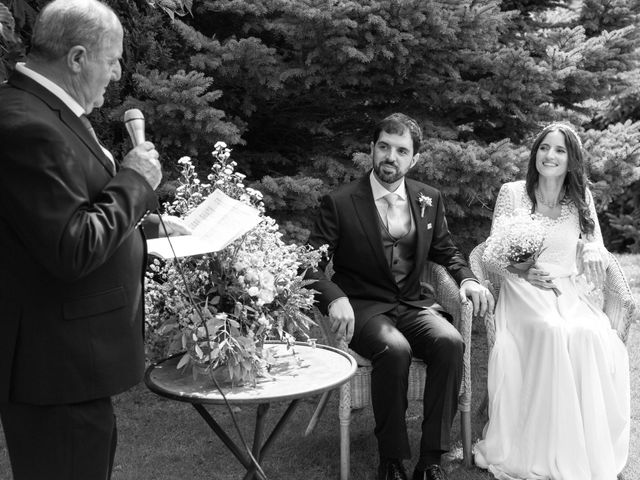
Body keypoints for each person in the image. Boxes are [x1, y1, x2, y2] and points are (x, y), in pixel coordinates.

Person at [0, 1, 187, 478]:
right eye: (113, 58)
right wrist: (135, 181)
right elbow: (71, 247)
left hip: (71, 367)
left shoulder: (48, 109)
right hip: (56, 370)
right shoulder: (27, 125)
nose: (118, 71)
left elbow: (54, 215)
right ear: (78, 58)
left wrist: (140, 223)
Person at [306, 113, 494, 480]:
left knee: (450, 342)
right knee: (395, 350)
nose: (391, 157)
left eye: (401, 150)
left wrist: (467, 279)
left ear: (414, 159)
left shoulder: (429, 198)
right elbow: (309, 264)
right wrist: (333, 297)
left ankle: (431, 460)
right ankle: (390, 460)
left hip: (413, 304)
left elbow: (447, 251)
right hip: (363, 308)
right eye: (384, 147)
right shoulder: (341, 202)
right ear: (372, 150)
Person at [474, 123, 630, 480]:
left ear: (571, 159)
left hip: (568, 290)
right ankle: (539, 450)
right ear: (535, 153)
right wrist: (524, 272)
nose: (550, 156)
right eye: (545, 148)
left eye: (560, 150)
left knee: (591, 335)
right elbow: (491, 254)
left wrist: (591, 249)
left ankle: (587, 450)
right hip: (522, 288)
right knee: (551, 331)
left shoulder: (580, 197)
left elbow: (597, 244)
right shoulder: (512, 193)